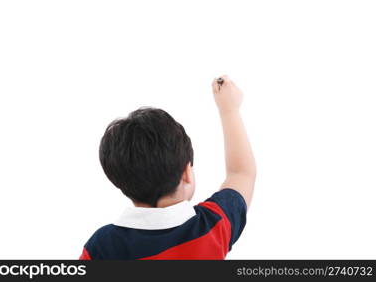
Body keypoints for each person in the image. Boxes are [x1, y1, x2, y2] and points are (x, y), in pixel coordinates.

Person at [80, 75, 256, 260]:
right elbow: (242, 173)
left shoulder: (102, 247)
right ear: (186, 173)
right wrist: (229, 109)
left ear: (118, 180)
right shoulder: (212, 226)